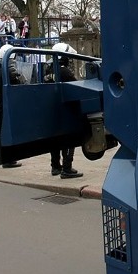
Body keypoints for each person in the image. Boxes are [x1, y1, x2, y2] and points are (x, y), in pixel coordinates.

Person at [45, 42, 83, 179]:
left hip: (51, 109)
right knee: (69, 139)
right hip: (65, 109)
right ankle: (67, 168)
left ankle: (55, 167)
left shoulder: (49, 69)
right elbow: (76, 88)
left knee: (54, 139)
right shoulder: (65, 71)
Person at [0, 44, 23, 169]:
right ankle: (8, 159)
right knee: (8, 130)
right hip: (8, 103)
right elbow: (19, 83)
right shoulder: (9, 70)